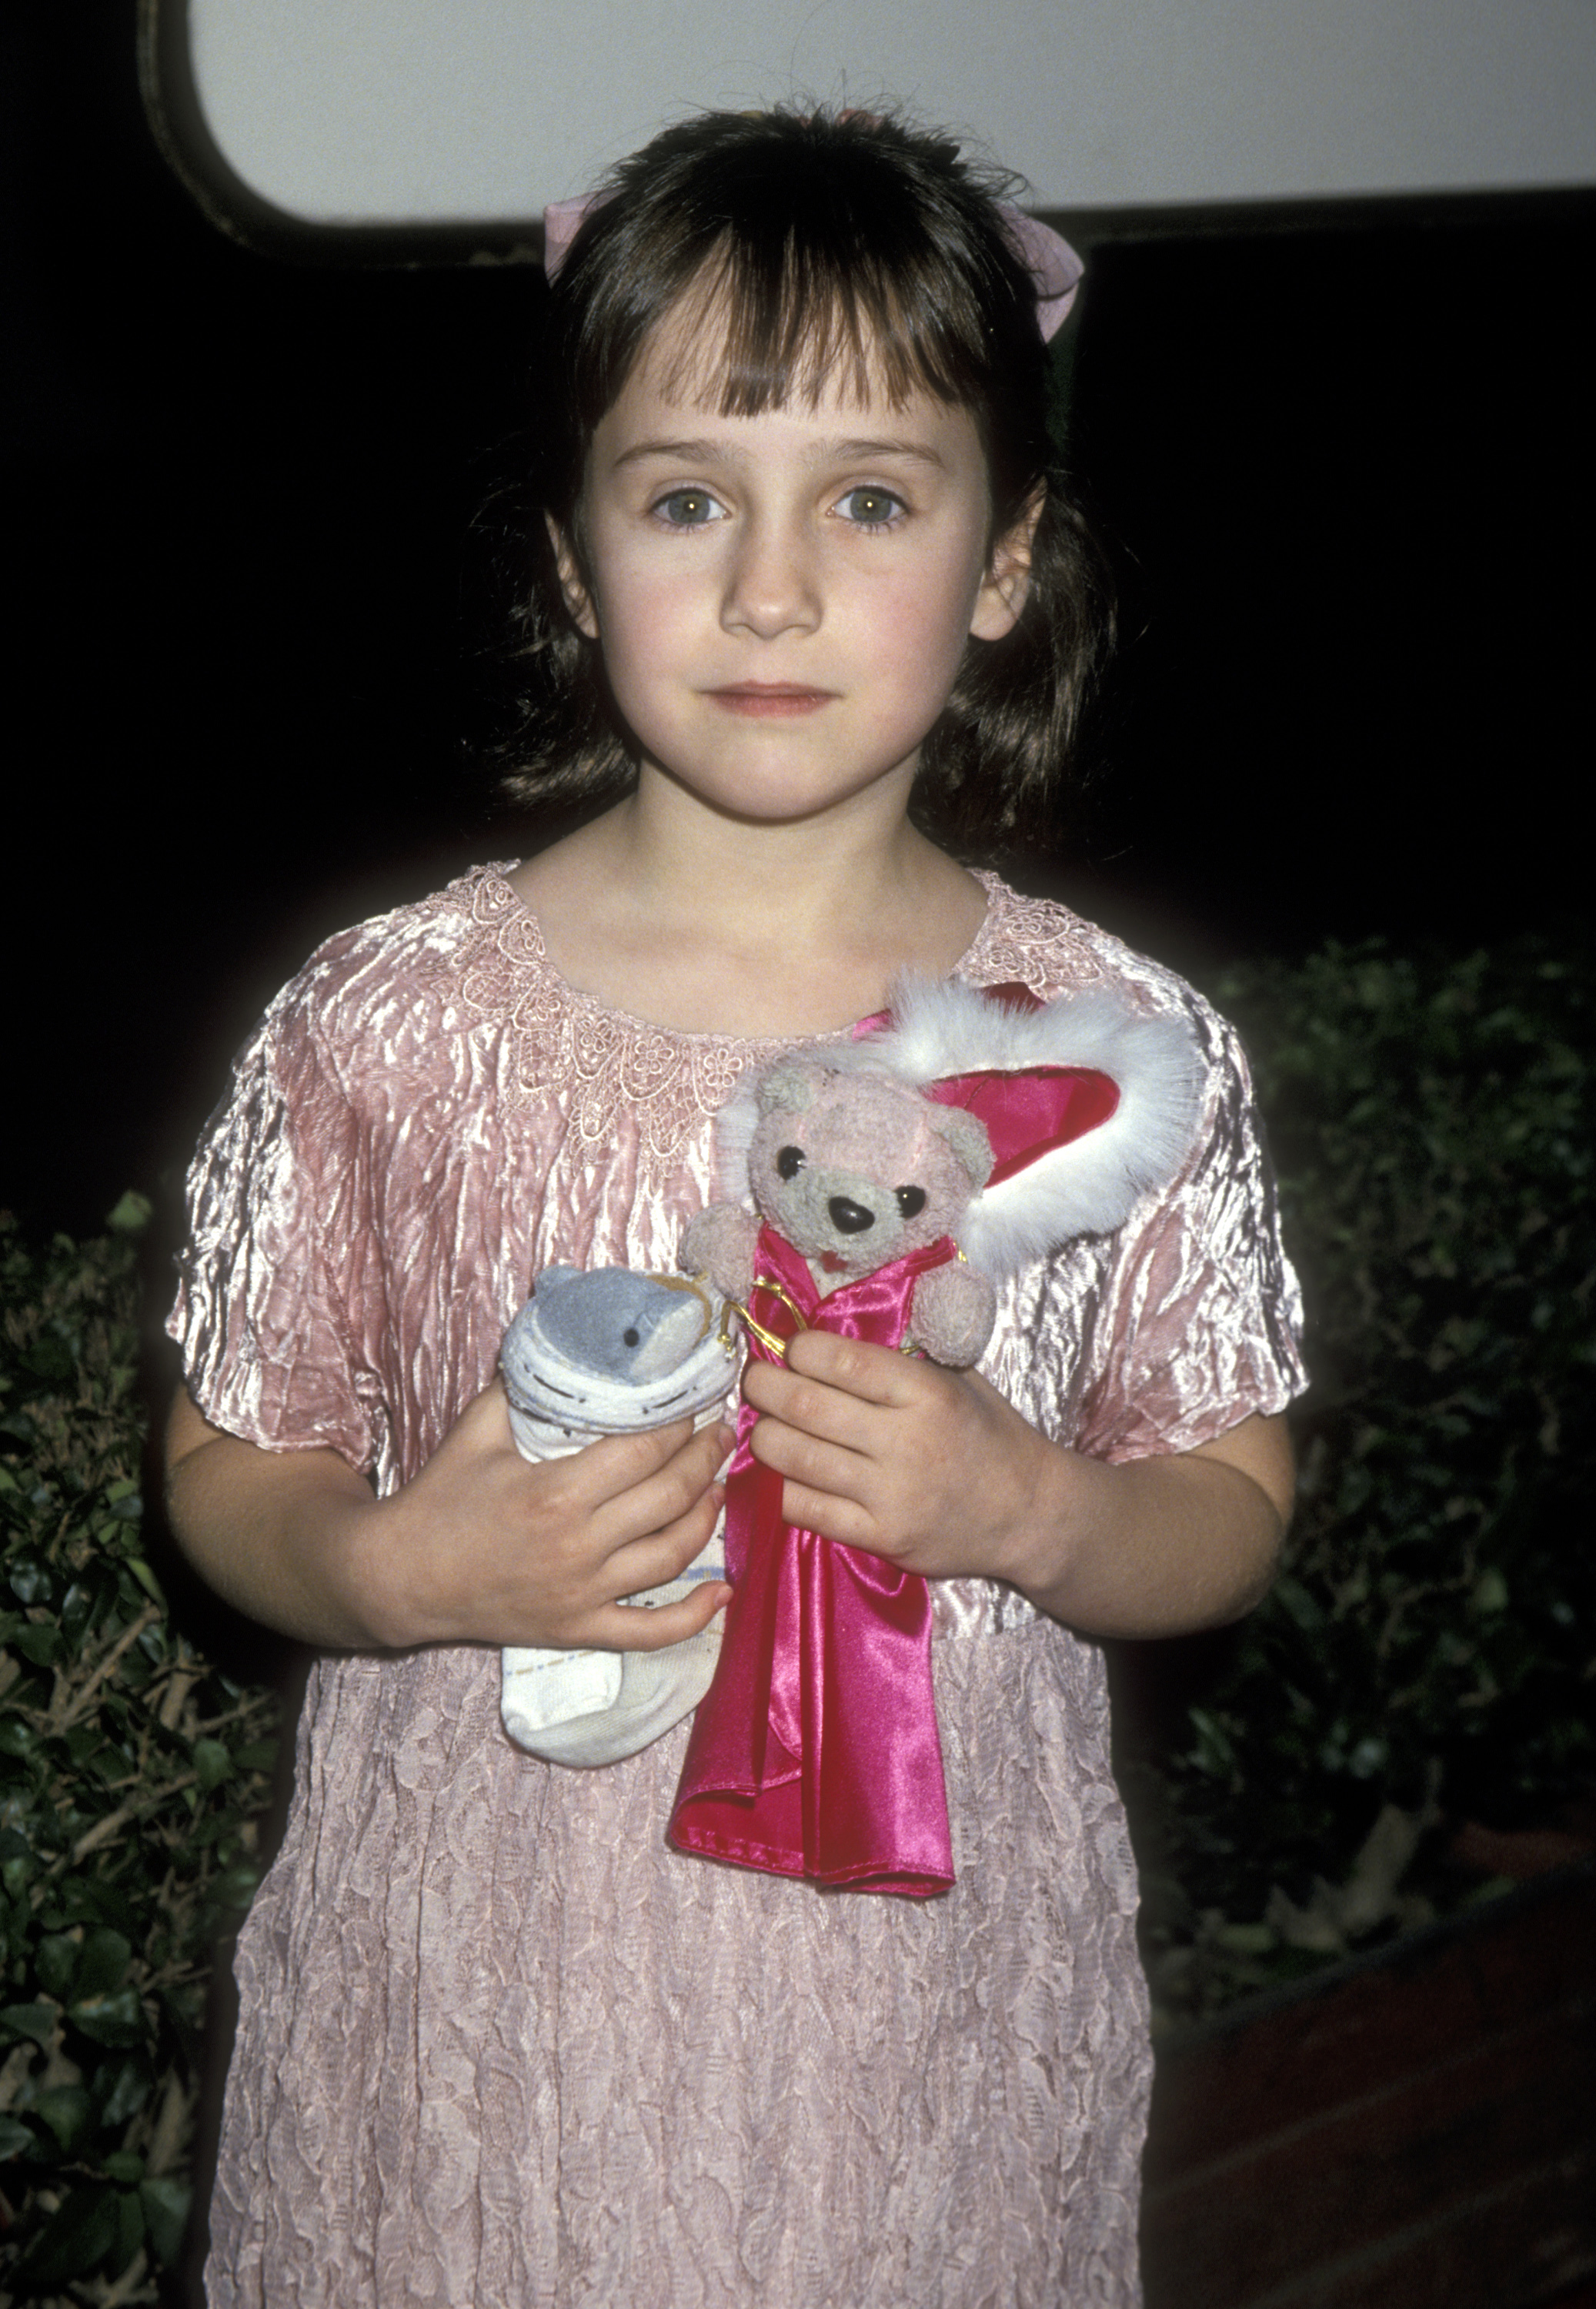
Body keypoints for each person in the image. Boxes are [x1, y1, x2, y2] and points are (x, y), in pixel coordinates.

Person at [165, 105, 1304, 2307]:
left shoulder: (1108, 1050)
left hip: (912, 2091)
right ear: (579, 564)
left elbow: (1229, 1492)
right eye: (687, 497)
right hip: (458, 2087)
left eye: (868, 499)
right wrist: (387, 1569)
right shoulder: (386, 1020)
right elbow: (230, 1451)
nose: (768, 588)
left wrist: (1031, 1512)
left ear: (1003, 557)